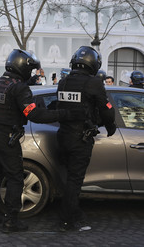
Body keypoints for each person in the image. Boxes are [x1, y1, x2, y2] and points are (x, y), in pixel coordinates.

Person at [0, 49, 84, 233]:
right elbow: (33, 114)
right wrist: (64, 114)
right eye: (30, 70)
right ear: (21, 67)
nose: (31, 73)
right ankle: (11, 221)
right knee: (15, 178)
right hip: (6, 137)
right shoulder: (18, 88)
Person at [56, 46, 116, 232]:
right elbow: (106, 108)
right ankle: (69, 221)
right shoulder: (93, 83)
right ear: (93, 64)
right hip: (80, 138)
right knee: (75, 180)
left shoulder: (64, 82)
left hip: (63, 136)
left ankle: (72, 213)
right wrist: (110, 126)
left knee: (69, 179)